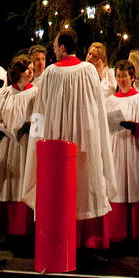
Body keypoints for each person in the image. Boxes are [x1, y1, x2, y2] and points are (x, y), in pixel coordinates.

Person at [22, 29, 116, 251]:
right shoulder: (89, 71)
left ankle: (59, 240)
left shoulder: (50, 73)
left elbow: (40, 110)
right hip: (85, 141)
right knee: (85, 184)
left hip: (55, 143)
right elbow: (97, 110)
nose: (53, 50)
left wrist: (36, 138)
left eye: (55, 46)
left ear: (63, 48)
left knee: (60, 189)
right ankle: (87, 242)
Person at [105, 59, 139, 244]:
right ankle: (117, 234)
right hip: (116, 147)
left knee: (135, 185)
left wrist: (135, 127)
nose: (121, 80)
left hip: (134, 148)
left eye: (125, 76)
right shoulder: (110, 101)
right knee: (118, 186)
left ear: (132, 77)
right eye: (118, 76)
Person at [0, 55, 37, 238]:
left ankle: (23, 228)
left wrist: (30, 126)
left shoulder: (35, 93)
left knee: (23, 181)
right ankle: (4, 228)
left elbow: (40, 118)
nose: (31, 72)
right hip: (7, 144)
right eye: (27, 69)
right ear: (17, 72)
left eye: (32, 69)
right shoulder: (5, 93)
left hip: (25, 145)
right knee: (7, 183)